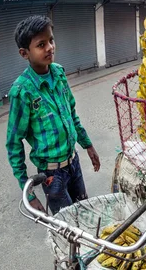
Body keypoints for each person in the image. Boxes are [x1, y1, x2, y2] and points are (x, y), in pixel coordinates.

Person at [6, 15, 101, 214]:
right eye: (41, 44)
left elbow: (72, 114)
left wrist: (88, 145)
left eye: (51, 40)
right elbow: (14, 144)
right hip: (51, 175)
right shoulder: (22, 92)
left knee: (85, 212)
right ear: (24, 53)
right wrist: (29, 193)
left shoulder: (58, 73)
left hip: (73, 163)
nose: (50, 47)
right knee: (67, 227)